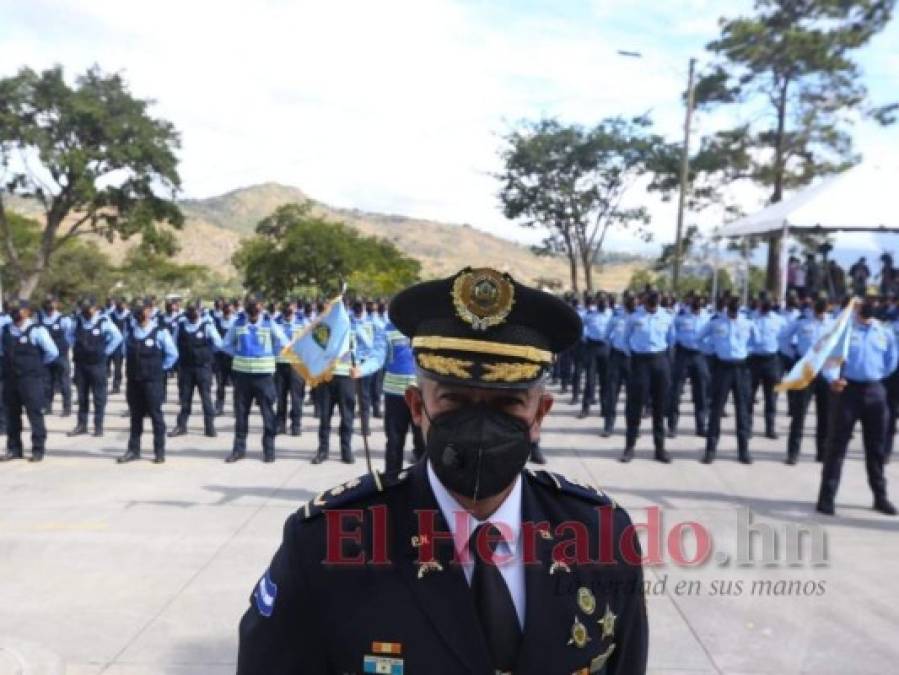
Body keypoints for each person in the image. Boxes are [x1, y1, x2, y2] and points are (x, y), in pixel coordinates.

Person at [236, 266, 649, 674]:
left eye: (507, 404)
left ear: (539, 414)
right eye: (455, 401)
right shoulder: (327, 542)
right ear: (417, 407)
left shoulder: (601, 536)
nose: (480, 427)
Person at [817, 296, 897, 516]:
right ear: (857, 308)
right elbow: (830, 358)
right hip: (848, 391)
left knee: (876, 448)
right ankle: (826, 499)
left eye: (873, 304)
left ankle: (880, 498)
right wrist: (833, 378)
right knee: (837, 447)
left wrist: (877, 376)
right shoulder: (845, 330)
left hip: (875, 391)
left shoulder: (884, 332)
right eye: (864, 304)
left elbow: (891, 360)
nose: (870, 307)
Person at [311, 301, 386, 464]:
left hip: (346, 377)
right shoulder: (325, 326)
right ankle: (322, 450)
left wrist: (353, 340)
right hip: (327, 376)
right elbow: (316, 345)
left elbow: (367, 344)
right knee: (325, 416)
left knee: (347, 416)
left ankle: (346, 450)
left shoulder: (352, 325)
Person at [222, 295, 289, 463]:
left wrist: (272, 355)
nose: (253, 308)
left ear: (261, 306)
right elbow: (225, 344)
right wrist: (237, 354)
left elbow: (284, 342)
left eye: (256, 305)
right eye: (250, 305)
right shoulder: (238, 323)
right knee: (241, 414)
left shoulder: (269, 323)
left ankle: (269, 450)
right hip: (242, 376)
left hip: (264, 376)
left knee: (268, 414)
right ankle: (239, 450)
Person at [118, 299, 179, 464]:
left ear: (149, 311)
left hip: (153, 382)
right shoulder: (130, 332)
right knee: (135, 417)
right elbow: (125, 351)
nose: (139, 313)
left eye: (143, 310)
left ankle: (159, 451)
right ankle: (133, 450)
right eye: (137, 310)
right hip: (134, 381)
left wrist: (161, 369)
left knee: (156, 416)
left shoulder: (160, 332)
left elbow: (172, 354)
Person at [699, 296, 757, 464]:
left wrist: (746, 352)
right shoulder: (716, 322)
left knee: (742, 410)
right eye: (731, 309)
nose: (733, 312)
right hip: (722, 367)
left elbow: (757, 341)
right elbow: (699, 338)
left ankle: (743, 450)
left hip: (740, 368)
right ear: (727, 308)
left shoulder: (747, 322)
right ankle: (710, 450)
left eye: (735, 309)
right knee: (716, 409)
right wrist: (712, 350)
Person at [0, 300, 59, 462]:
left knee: (35, 414)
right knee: (11, 415)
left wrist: (37, 366)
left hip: (31, 380)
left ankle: (38, 449)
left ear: (27, 312)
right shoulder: (5, 330)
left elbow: (52, 352)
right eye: (13, 310)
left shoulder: (37, 330)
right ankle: (14, 448)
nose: (15, 313)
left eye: (18, 310)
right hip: (11, 379)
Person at [621, 291, 674, 463]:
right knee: (635, 406)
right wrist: (633, 358)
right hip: (640, 363)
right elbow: (625, 340)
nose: (652, 305)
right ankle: (629, 447)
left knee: (660, 407)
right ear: (644, 302)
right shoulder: (635, 317)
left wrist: (666, 360)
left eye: (654, 302)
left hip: (659, 361)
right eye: (649, 302)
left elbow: (671, 340)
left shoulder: (667, 317)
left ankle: (660, 448)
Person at [780, 298, 832, 464]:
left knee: (825, 415)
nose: (821, 307)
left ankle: (822, 453)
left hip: (824, 371)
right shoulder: (802, 321)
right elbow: (783, 338)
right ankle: (793, 453)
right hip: (805, 370)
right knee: (799, 414)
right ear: (813, 305)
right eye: (819, 304)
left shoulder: (833, 324)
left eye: (824, 304)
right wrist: (793, 356)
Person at [67, 296, 122, 437]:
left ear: (94, 308)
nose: (86, 312)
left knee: (99, 396)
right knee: (81, 396)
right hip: (80, 364)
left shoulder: (104, 321)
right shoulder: (77, 321)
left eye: (88, 309)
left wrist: (106, 351)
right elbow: (69, 336)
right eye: (83, 309)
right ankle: (82, 425)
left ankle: (98, 426)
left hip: (97, 364)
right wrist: (76, 345)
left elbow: (117, 337)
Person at [169, 300, 222, 438]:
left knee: (206, 398)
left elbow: (218, 344)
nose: (193, 314)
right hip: (186, 368)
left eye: (195, 311)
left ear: (199, 312)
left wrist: (208, 355)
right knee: (185, 398)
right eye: (190, 311)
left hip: (203, 368)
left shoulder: (207, 326)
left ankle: (209, 427)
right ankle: (181, 426)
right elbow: (173, 344)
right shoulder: (180, 326)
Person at [382, 315, 425, 473]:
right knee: (394, 441)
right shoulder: (389, 332)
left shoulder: (424, 333)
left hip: (420, 393)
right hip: (395, 394)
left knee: (422, 441)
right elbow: (382, 359)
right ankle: (391, 482)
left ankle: (422, 484)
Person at [666, 293, 709, 438]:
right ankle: (672, 425)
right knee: (675, 392)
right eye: (695, 299)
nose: (697, 302)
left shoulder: (708, 317)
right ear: (690, 301)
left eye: (699, 299)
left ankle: (701, 425)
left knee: (701, 392)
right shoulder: (680, 317)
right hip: (683, 355)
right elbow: (672, 335)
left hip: (699, 356)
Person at [748, 296, 785, 439]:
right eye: (765, 302)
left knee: (771, 397)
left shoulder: (779, 320)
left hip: (772, 360)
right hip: (754, 360)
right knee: (749, 396)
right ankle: (748, 426)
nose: (767, 304)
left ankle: (770, 428)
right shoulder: (750, 318)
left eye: (769, 302)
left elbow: (786, 338)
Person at [274, 300, 307, 436]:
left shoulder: (302, 322)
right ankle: (280, 424)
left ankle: (296, 425)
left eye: (291, 307)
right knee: (280, 397)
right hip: (280, 364)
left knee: (296, 397)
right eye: (286, 307)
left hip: (297, 365)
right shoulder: (275, 323)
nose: (288, 310)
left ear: (294, 308)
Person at [578, 292, 612, 422]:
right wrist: (585, 338)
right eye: (600, 300)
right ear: (596, 302)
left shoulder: (611, 314)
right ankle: (585, 408)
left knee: (605, 380)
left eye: (604, 300)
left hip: (605, 348)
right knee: (590, 379)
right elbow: (581, 328)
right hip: (592, 348)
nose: (602, 302)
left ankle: (604, 408)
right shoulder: (590, 315)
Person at [603, 293, 633, 437]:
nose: (631, 302)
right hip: (617, 357)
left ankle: (631, 427)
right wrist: (614, 348)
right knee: (612, 393)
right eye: (629, 299)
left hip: (633, 360)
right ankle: (609, 425)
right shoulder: (616, 316)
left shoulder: (640, 317)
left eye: (634, 300)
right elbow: (606, 335)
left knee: (633, 396)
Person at [39, 294, 73, 417]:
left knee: (64, 382)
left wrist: (66, 347)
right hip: (45, 356)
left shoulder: (64, 319)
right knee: (46, 383)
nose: (49, 306)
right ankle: (47, 407)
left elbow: (70, 336)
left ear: (57, 304)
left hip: (61, 355)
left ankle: (67, 407)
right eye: (47, 303)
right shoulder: (40, 318)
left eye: (52, 303)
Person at [213, 299, 237, 416]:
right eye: (225, 309)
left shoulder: (237, 322)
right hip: (220, 357)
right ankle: (219, 406)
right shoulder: (217, 322)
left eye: (229, 308)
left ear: (233, 310)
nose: (227, 311)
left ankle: (237, 407)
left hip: (233, 357)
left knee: (237, 384)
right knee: (220, 383)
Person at [107, 297, 130, 394]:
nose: (120, 306)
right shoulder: (111, 315)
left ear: (125, 304)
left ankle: (116, 385)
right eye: (118, 304)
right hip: (110, 343)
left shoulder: (129, 316)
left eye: (122, 304)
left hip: (121, 345)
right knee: (106, 365)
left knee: (118, 367)